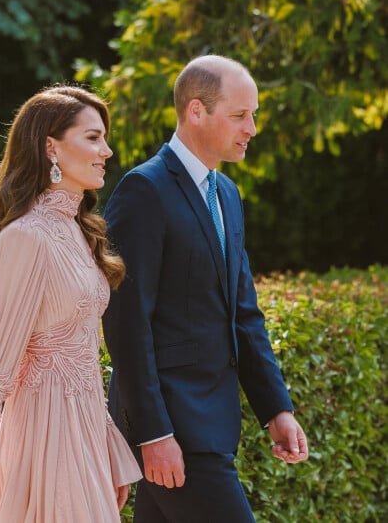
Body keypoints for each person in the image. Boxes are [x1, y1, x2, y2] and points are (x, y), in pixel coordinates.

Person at [102, 55, 309, 522]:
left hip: (212, 426)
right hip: (173, 430)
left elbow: (243, 314)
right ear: (196, 111)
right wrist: (154, 434)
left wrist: (276, 408)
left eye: (253, 114)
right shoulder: (144, 191)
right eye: (239, 115)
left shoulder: (228, 196)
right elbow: (126, 322)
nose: (251, 128)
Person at [0, 84, 142, 522]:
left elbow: (83, 357)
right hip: (43, 437)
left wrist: (104, 444)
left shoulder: (80, 234)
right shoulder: (24, 238)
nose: (106, 150)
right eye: (92, 137)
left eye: (104, 137)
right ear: (51, 146)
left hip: (83, 433)